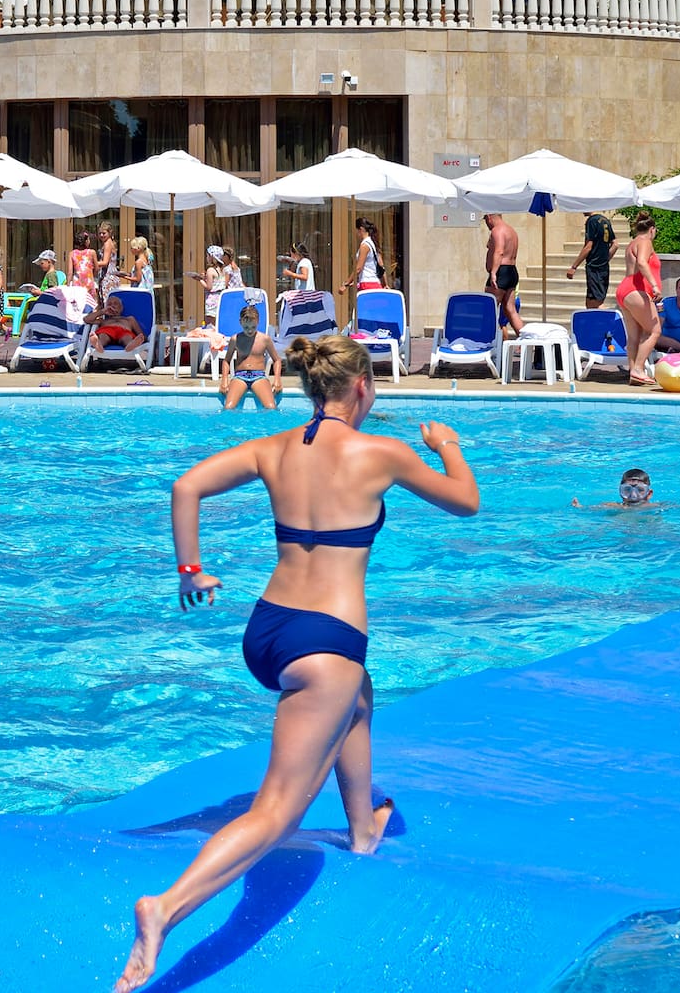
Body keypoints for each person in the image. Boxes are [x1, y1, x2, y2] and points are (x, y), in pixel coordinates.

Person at [113, 334, 478, 993]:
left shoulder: (274, 448)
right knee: (278, 810)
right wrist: (446, 444)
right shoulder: (384, 454)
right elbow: (465, 500)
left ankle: (364, 826)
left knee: (358, 694)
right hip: (325, 637)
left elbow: (186, 485)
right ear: (362, 388)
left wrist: (191, 570)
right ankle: (164, 910)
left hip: (269, 630)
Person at [614, 211, 663, 385]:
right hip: (636, 290)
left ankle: (634, 373)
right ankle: (638, 369)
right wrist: (655, 285)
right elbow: (642, 262)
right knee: (655, 331)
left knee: (636, 335)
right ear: (652, 229)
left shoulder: (632, 243)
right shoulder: (645, 242)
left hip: (625, 290)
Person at [218, 305, 280, 410]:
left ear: (258, 322)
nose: (250, 331)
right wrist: (224, 380)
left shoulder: (264, 339)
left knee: (271, 407)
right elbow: (226, 361)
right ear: (240, 322)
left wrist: (277, 380)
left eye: (253, 327)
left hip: (259, 376)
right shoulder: (235, 339)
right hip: (240, 377)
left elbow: (277, 360)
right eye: (246, 327)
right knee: (228, 407)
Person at [565, 210, 616, 310]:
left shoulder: (592, 221)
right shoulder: (605, 220)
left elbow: (588, 246)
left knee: (596, 303)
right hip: (603, 267)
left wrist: (574, 267)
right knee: (590, 301)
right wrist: (605, 259)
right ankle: (593, 323)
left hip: (594, 267)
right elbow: (615, 244)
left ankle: (607, 323)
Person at [483, 213, 522, 339]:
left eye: (485, 220)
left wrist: (493, 272)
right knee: (510, 310)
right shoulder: (511, 231)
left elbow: (499, 251)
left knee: (488, 309)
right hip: (512, 271)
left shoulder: (497, 230)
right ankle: (528, 340)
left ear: (489, 217)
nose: (486, 223)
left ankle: (487, 342)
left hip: (501, 272)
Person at [84, 294, 146, 360]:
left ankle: (130, 345)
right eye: (109, 304)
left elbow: (141, 334)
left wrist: (141, 338)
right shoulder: (104, 320)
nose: (112, 306)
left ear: (121, 308)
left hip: (124, 332)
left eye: (115, 303)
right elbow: (86, 319)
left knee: (127, 337)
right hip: (107, 331)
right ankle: (98, 344)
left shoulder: (129, 319)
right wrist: (102, 312)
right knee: (103, 335)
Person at [335, 217, 382, 297]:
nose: (356, 234)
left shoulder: (365, 245)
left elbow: (358, 268)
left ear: (361, 229)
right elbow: (381, 265)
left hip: (367, 284)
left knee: (365, 309)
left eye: (356, 231)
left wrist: (346, 283)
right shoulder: (373, 243)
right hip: (375, 282)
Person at [571, 468, 661, 510]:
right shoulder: (613, 506)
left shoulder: (656, 508)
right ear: (620, 491)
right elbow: (589, 510)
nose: (633, 495)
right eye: (627, 490)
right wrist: (579, 507)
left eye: (640, 490)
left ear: (649, 494)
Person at [186, 245, 230, 325]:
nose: (206, 257)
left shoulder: (210, 270)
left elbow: (209, 287)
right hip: (220, 298)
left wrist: (199, 279)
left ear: (212, 257)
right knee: (217, 323)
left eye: (208, 255)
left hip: (212, 299)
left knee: (209, 323)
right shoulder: (222, 270)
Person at [68, 228, 100, 297]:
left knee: (77, 304)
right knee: (90, 303)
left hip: (77, 283)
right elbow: (97, 268)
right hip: (88, 281)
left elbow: (70, 272)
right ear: (85, 241)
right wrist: (92, 276)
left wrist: (68, 285)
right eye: (88, 239)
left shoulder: (72, 253)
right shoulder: (92, 252)